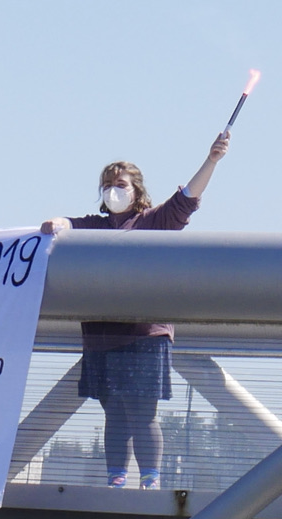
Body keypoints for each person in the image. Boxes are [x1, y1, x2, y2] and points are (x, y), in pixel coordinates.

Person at [41, 132, 230, 490]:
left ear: (137, 190)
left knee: (142, 414)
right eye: (108, 185)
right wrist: (58, 223)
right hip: (102, 335)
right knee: (114, 413)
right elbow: (66, 224)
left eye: (121, 184)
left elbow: (187, 200)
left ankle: (150, 481)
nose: (114, 190)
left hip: (144, 335)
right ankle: (116, 478)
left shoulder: (154, 221)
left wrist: (212, 160)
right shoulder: (93, 227)